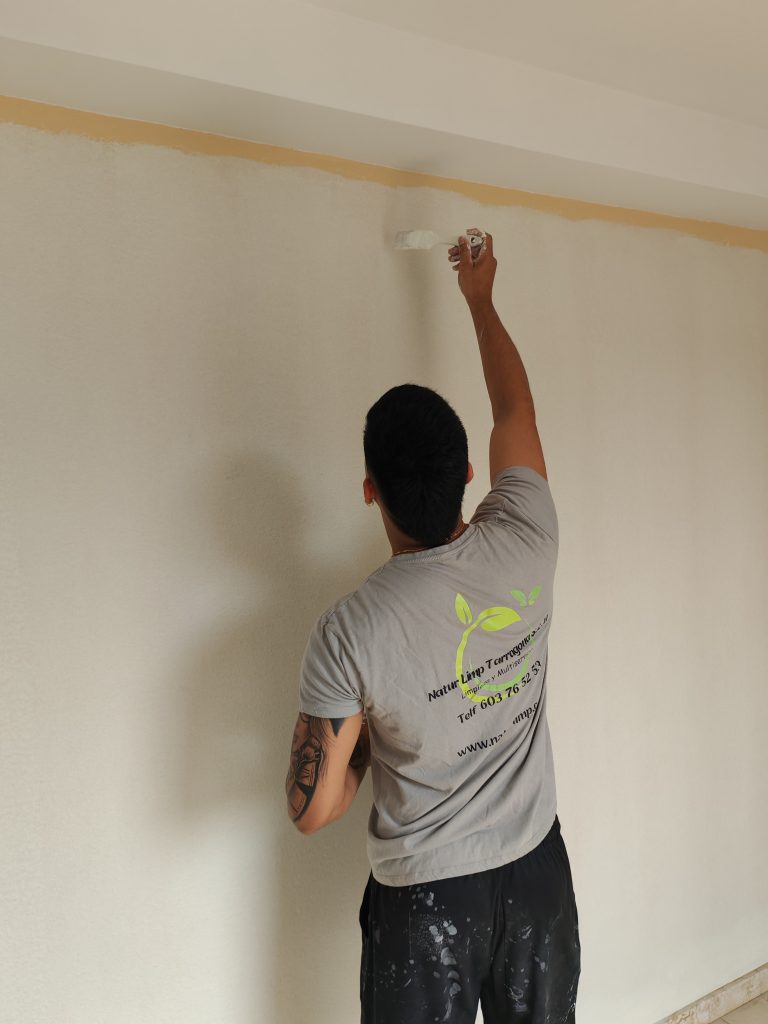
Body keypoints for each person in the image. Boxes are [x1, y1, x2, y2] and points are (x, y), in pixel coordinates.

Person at [285, 229, 581, 1023]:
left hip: (426, 906)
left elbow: (313, 810)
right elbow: (515, 409)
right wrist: (480, 300)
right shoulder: (527, 533)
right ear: (471, 476)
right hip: (538, 876)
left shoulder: (349, 632)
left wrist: (370, 741)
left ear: (369, 491)